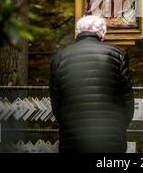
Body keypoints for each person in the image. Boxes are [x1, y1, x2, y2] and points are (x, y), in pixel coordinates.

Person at [49, 15, 134, 153]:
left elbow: (56, 102)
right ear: (103, 33)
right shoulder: (118, 54)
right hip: (110, 136)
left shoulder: (59, 58)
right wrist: (119, 126)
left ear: (77, 32)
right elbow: (127, 98)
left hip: (73, 136)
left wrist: (67, 123)